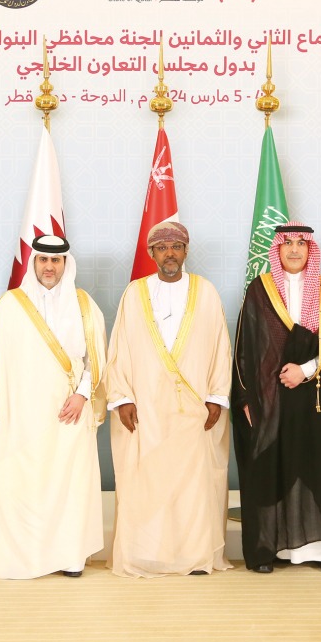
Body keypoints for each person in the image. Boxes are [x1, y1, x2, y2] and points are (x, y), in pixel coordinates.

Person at [0, 235, 107, 578]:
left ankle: (69, 557)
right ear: (34, 263)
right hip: (20, 415)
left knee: (70, 485)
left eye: (56, 260)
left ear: (66, 264)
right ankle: (23, 557)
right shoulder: (10, 304)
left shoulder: (84, 305)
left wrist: (82, 395)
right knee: (21, 483)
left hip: (69, 414)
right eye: (43, 260)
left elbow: (97, 358)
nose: (49, 266)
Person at [105, 221, 232, 577]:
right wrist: (123, 397)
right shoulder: (134, 293)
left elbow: (222, 347)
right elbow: (120, 349)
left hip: (195, 410)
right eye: (162, 248)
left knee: (194, 485)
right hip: (146, 408)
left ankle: (193, 557)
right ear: (152, 254)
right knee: (147, 482)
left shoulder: (206, 292)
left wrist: (217, 397)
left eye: (176, 246)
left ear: (186, 251)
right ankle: (147, 556)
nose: (170, 254)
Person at [232, 223, 321, 573]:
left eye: (302, 243)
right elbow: (246, 347)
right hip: (272, 399)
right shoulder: (261, 289)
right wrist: (245, 400)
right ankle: (271, 549)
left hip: (318, 395)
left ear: (310, 249)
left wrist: (307, 368)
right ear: (278, 250)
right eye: (288, 244)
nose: (296, 250)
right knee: (273, 467)